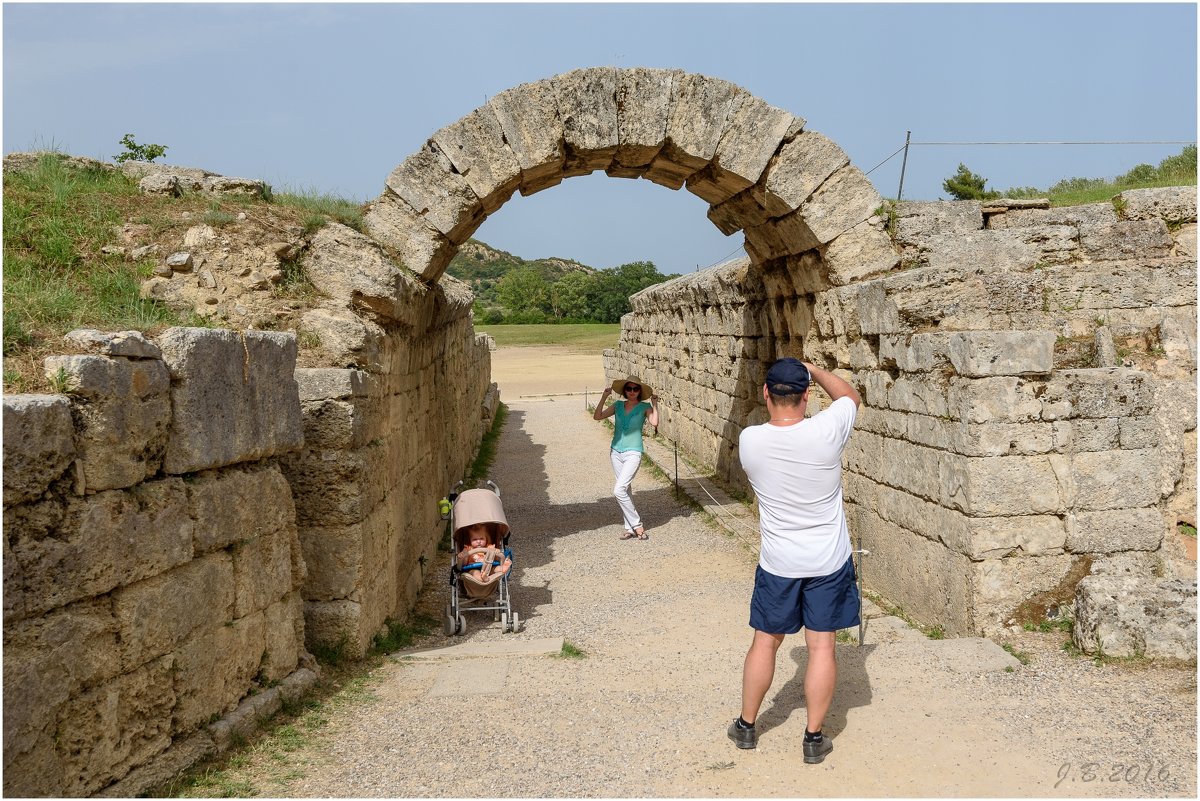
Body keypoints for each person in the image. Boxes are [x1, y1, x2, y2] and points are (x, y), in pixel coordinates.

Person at [727, 358, 861, 763]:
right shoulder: (826, 431)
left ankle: (748, 726)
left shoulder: (750, 440)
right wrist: (815, 369)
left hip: (779, 562)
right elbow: (850, 396)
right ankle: (813, 738)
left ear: (766, 394)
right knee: (821, 647)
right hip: (828, 561)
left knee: (765, 642)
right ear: (806, 396)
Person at [592, 375, 659, 540]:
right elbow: (598, 416)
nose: (632, 392)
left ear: (639, 391)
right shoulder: (618, 405)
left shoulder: (644, 407)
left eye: (635, 389)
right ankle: (629, 528)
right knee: (625, 489)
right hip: (615, 451)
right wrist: (603, 397)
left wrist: (655, 405)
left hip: (633, 452)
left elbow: (654, 422)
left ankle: (637, 525)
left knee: (618, 489)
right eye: (629, 389)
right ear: (624, 391)